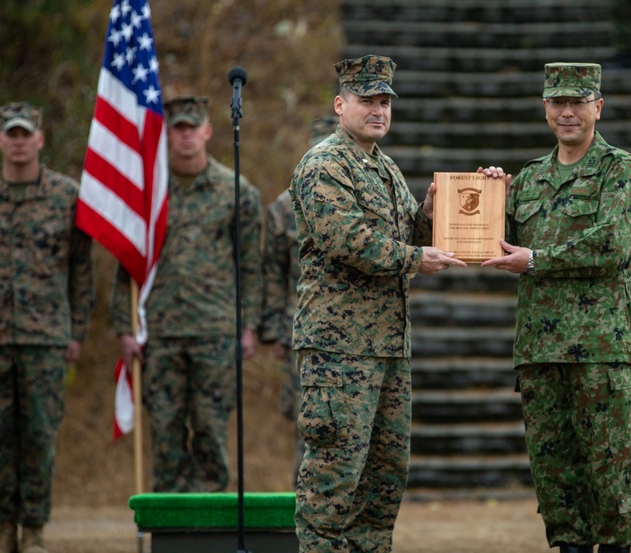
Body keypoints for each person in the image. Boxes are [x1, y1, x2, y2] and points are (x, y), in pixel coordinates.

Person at [290, 55, 475, 552]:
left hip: (388, 348)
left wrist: (429, 216)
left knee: (382, 485)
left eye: (385, 101)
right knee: (332, 487)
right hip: (339, 354)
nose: (378, 109)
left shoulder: (385, 167)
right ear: (340, 104)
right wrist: (416, 255)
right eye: (368, 99)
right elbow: (347, 239)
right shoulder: (324, 163)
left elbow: (397, 237)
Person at [482, 63, 631, 553]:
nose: (568, 112)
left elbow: (613, 244)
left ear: (598, 107)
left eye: (578, 102)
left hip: (599, 348)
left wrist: (537, 260)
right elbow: (488, 239)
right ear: (545, 108)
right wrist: (482, 194)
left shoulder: (619, 170)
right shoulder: (530, 179)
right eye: (558, 103)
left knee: (608, 469)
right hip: (539, 351)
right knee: (554, 475)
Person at [112, 95, 263, 493]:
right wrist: (124, 328)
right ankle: (170, 529)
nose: (185, 136)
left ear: (207, 132)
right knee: (165, 432)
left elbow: (250, 265)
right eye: (178, 128)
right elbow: (125, 264)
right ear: (167, 134)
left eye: (192, 128)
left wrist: (249, 326)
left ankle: (210, 528)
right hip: (159, 332)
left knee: (211, 431)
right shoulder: (146, 195)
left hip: (215, 330)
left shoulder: (236, 192)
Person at [0, 102, 94, 553]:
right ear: (2, 140)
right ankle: (3, 527)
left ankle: (34, 528)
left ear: (39, 139)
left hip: (45, 337)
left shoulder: (66, 194)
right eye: (10, 134)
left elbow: (81, 268)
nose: (18, 142)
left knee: (39, 436)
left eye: (25, 134)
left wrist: (77, 330)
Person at [261, 115, 337, 483]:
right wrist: (275, 330)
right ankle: (299, 501)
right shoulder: (283, 208)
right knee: (304, 426)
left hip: (345, 325)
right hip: (299, 328)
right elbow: (272, 273)